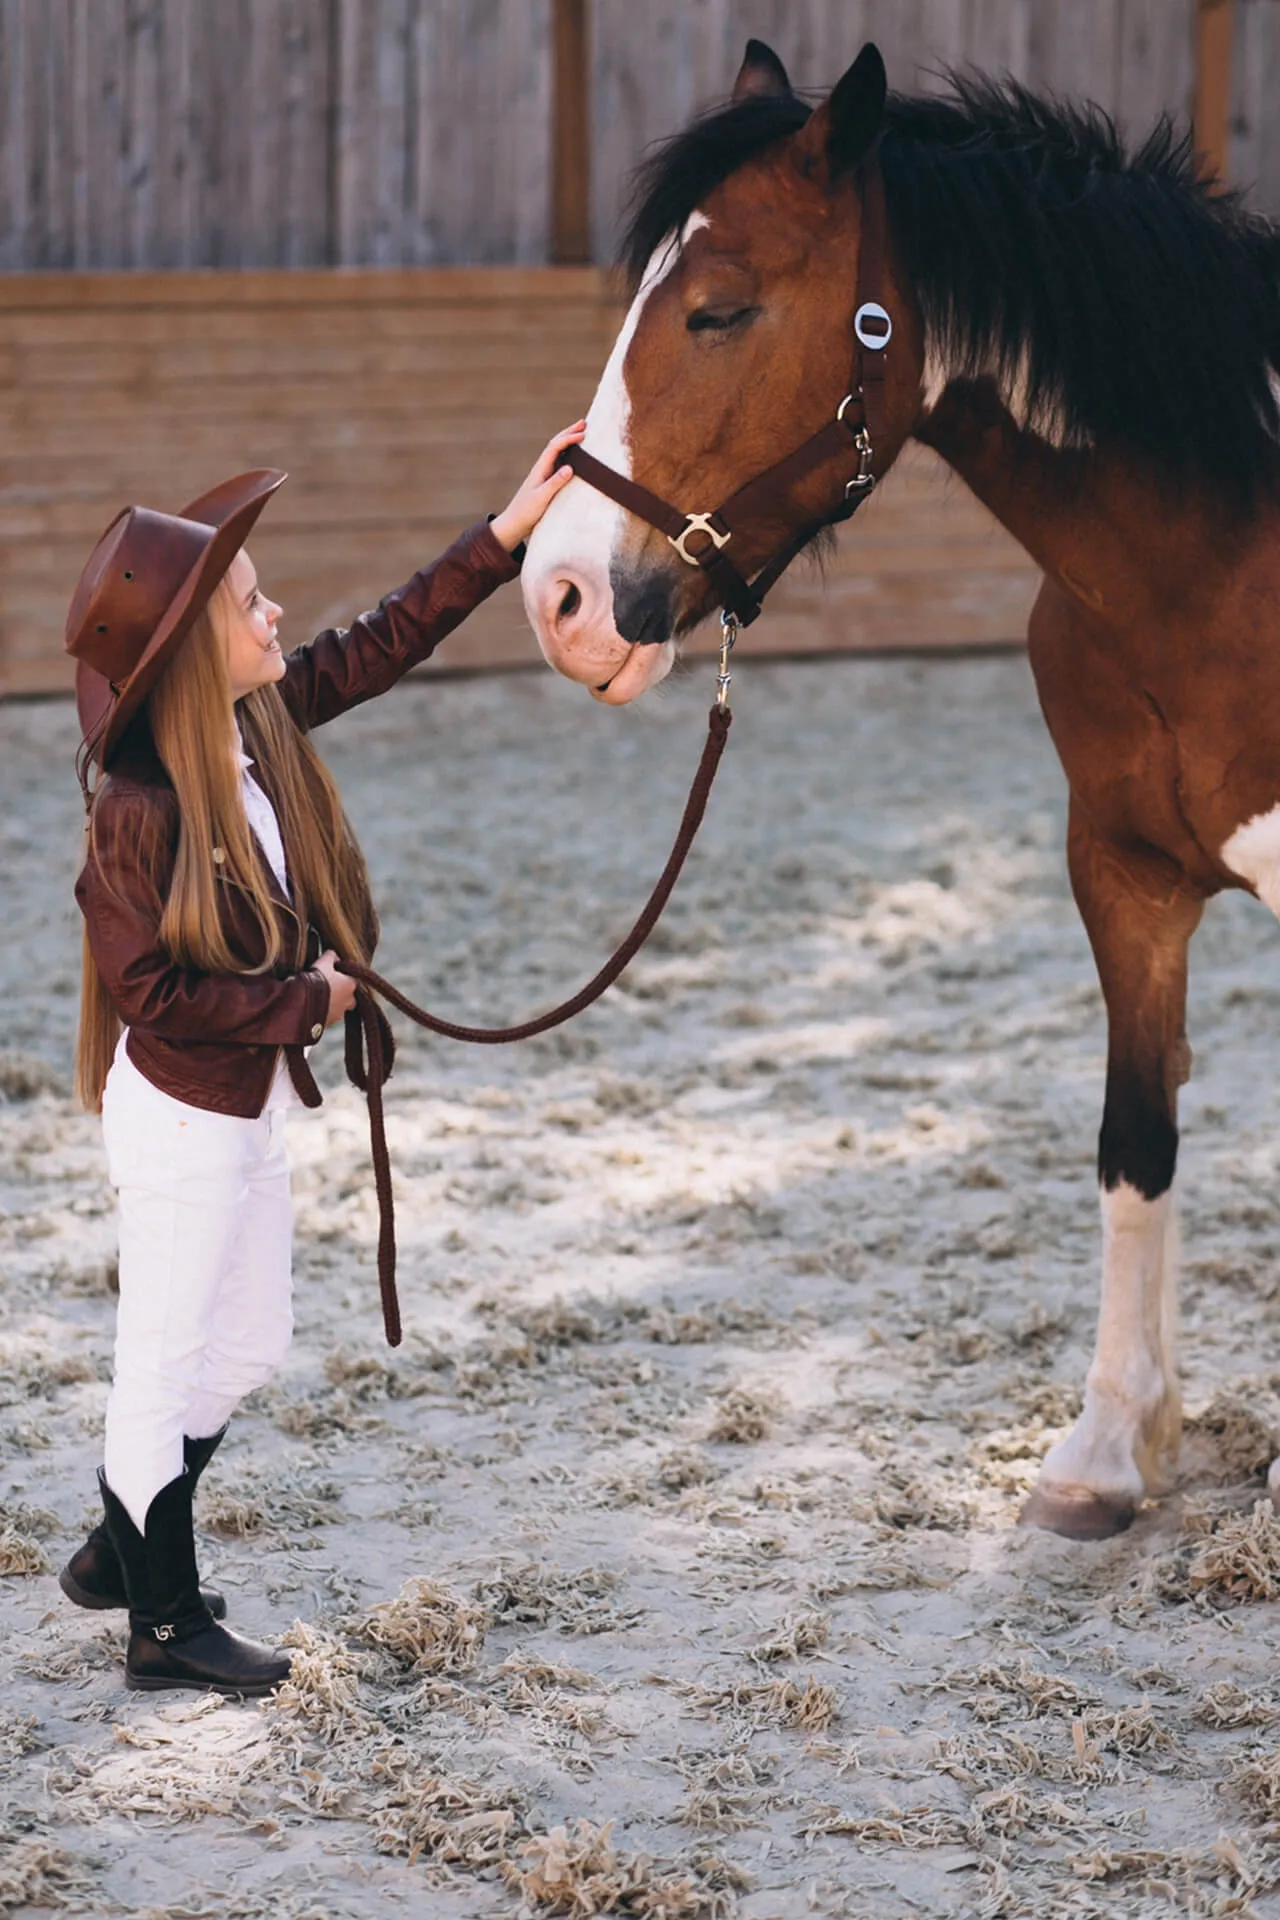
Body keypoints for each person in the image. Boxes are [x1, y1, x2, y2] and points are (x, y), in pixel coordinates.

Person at [60, 422, 585, 1695]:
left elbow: (383, 640)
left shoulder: (258, 731)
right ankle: (162, 1625)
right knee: (164, 1364)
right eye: (249, 601)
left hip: (241, 1115)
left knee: (246, 1351)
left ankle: (122, 1546)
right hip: (182, 1119)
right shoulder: (139, 808)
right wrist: (301, 1000)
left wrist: (505, 537)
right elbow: (146, 990)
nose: (276, 606)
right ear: (196, 645)